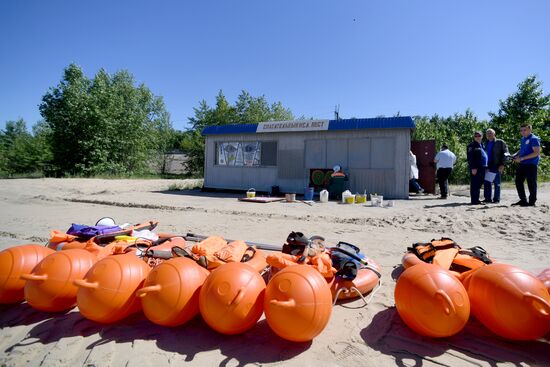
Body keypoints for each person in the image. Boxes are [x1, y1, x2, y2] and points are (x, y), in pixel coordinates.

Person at [511, 124, 541, 207]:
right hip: (523, 164)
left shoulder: (534, 139)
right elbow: (522, 150)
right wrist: (516, 155)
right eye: (521, 130)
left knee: (531, 183)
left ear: (530, 130)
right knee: (518, 181)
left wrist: (521, 158)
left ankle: (532, 202)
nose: (522, 132)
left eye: (524, 130)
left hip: (531, 164)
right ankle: (523, 200)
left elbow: (536, 153)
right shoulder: (523, 139)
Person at [482, 129, 508, 204]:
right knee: (487, 182)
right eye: (487, 133)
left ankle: (496, 199)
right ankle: (487, 199)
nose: (489, 134)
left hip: (497, 165)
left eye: (490, 133)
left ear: (494, 134)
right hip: (488, 165)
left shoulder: (500, 142)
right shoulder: (485, 143)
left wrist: (503, 164)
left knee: (497, 183)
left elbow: (506, 153)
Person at [467, 131, 488, 205]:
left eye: (479, 135)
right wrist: (473, 167)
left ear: (482, 136)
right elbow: (470, 158)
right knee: (475, 183)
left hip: (483, 166)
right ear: (474, 137)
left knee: (479, 183)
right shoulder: (472, 145)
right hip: (476, 168)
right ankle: (474, 200)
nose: (477, 137)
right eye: (476, 136)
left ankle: (476, 199)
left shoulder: (482, 145)